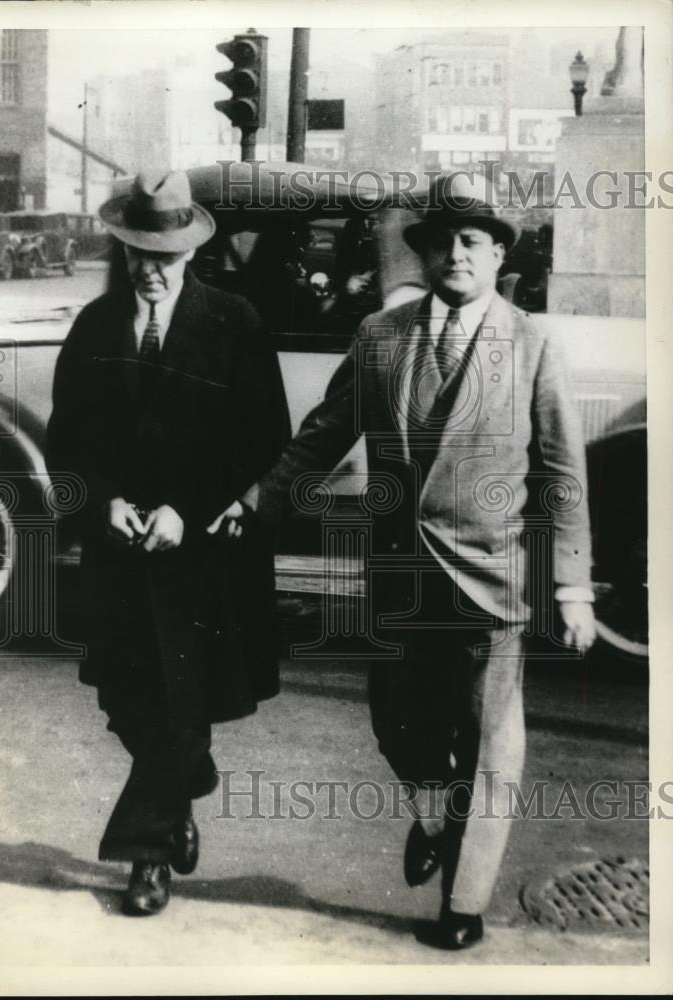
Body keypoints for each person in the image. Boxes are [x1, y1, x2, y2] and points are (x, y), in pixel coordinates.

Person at [209, 172, 596, 949]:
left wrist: (573, 586)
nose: (457, 254)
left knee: (492, 748)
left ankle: (464, 905)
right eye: (443, 240)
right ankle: (433, 809)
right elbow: (324, 433)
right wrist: (257, 501)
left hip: (491, 579)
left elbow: (561, 475)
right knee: (397, 726)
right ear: (423, 253)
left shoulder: (533, 344)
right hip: (399, 577)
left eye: (473, 241)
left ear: (496, 257)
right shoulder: (380, 338)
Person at [45, 170, 290, 915]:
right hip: (121, 559)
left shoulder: (235, 322)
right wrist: (104, 504)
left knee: (178, 697)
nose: (151, 272)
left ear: (191, 255)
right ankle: (188, 781)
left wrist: (188, 508)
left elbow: (262, 439)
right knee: (128, 702)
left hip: (204, 559)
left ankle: (146, 858)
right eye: (137, 257)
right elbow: (65, 443)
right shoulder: (93, 327)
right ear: (121, 252)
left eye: (166, 259)